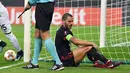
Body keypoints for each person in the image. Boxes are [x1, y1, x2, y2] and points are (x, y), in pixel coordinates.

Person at [55, 13, 122, 69]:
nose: (71, 23)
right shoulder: (63, 32)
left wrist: (87, 46)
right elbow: (75, 41)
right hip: (64, 59)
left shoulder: (66, 31)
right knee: (88, 47)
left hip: (66, 58)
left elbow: (78, 44)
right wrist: (91, 43)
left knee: (87, 47)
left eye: (72, 21)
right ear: (63, 21)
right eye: (69, 21)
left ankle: (97, 62)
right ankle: (108, 63)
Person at [22, 0, 64, 71]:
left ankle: (58, 63)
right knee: (37, 33)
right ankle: (34, 62)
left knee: (44, 34)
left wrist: (30, 3)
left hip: (43, 6)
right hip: (48, 5)